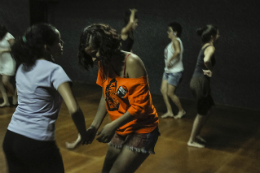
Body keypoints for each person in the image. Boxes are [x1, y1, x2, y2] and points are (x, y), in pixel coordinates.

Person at [2, 23, 88, 173]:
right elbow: (74, 109)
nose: (62, 44)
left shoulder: (23, 66)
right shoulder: (54, 71)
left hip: (11, 137)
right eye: (58, 42)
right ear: (46, 47)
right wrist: (83, 133)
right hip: (36, 143)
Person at [78, 24, 159, 173]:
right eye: (90, 54)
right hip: (121, 127)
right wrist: (94, 126)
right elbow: (106, 94)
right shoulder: (104, 62)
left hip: (142, 130)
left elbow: (141, 107)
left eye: (95, 52)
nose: (95, 58)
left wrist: (112, 126)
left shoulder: (132, 63)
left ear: (106, 45)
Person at [187, 25, 219, 148]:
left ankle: (197, 133)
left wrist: (207, 72)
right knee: (202, 112)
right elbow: (206, 61)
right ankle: (191, 140)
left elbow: (201, 67)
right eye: (217, 34)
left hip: (198, 81)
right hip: (200, 82)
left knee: (211, 108)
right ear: (212, 37)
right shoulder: (211, 47)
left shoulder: (204, 46)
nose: (219, 36)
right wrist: (211, 70)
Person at [160, 22, 186, 119]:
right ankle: (169, 111)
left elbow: (178, 51)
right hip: (167, 71)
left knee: (170, 93)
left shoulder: (176, 41)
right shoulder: (172, 42)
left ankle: (181, 111)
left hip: (175, 72)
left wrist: (170, 60)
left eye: (170, 31)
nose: (168, 32)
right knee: (163, 90)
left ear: (175, 32)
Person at [0, 25, 17, 107]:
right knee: (0, 83)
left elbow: (15, 48)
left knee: (5, 81)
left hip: (9, 61)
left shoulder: (8, 35)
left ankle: (14, 95)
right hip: (0, 61)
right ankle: (5, 101)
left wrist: (3, 50)